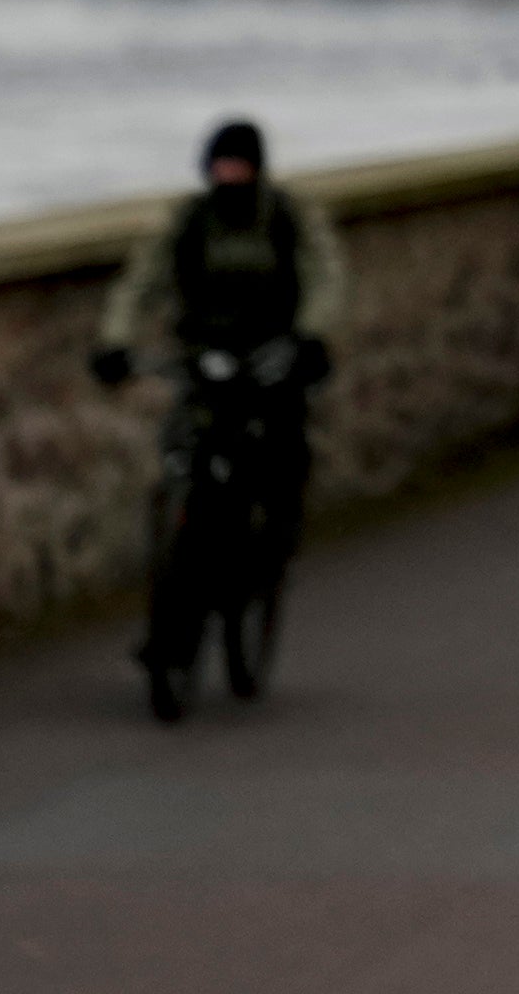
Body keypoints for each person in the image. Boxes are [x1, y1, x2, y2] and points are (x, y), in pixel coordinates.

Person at [93, 117, 346, 708]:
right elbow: (140, 284)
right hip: (205, 360)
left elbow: (325, 276)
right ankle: (171, 617)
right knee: (184, 465)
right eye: (219, 165)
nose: (227, 174)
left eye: (238, 165)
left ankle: (268, 556)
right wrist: (115, 341)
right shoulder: (186, 222)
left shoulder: (288, 218)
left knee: (280, 459)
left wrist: (310, 336)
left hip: (271, 360)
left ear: (257, 168)